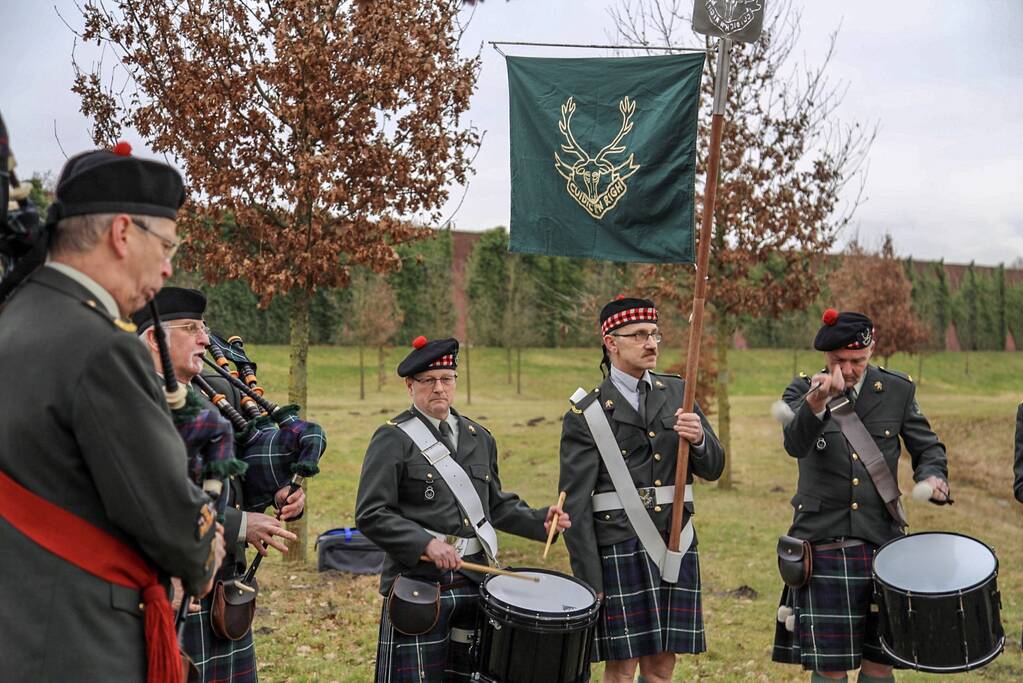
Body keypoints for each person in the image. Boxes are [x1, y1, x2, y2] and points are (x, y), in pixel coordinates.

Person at [0, 143, 225, 681]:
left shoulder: (16, 320)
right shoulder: (102, 347)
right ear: (122, 233)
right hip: (81, 643)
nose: (169, 267)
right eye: (166, 245)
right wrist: (206, 546)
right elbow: (172, 518)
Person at [355, 335, 570, 683]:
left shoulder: (479, 436)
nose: (439, 388)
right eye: (428, 381)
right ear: (410, 386)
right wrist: (424, 543)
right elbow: (371, 513)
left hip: (475, 581)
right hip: (419, 585)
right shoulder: (392, 438)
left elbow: (494, 506)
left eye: (447, 379)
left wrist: (539, 521)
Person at [132, 286, 305, 682]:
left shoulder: (214, 396)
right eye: (191, 328)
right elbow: (156, 501)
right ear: (155, 338)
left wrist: (277, 494)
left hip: (224, 593)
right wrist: (244, 525)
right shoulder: (132, 404)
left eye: (204, 328)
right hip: (169, 595)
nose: (206, 340)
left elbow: (235, 479)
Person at [771, 309, 950, 683]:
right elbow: (795, 443)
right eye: (840, 361)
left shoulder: (898, 390)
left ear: (873, 349)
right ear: (826, 356)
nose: (849, 369)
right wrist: (817, 403)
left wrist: (933, 476)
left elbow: (927, 447)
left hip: (882, 541)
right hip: (823, 542)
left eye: (858, 361)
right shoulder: (801, 390)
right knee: (830, 665)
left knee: (880, 661)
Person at [558, 296, 725, 683]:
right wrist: (589, 580)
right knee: (621, 666)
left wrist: (700, 439)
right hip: (620, 545)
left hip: (674, 540)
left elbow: (714, 467)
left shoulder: (678, 393)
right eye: (638, 335)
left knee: (663, 665)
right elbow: (576, 508)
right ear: (611, 343)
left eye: (654, 334)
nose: (651, 343)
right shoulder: (588, 413)